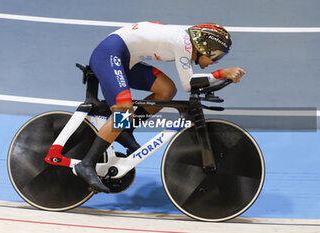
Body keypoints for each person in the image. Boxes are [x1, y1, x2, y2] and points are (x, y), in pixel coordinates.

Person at [74, 21, 246, 193]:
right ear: (206, 47)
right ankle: (87, 163)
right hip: (109, 54)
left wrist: (221, 76)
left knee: (166, 90)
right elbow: (189, 84)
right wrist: (222, 73)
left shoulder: (185, 40)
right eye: (216, 56)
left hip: (125, 58)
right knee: (124, 111)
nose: (215, 61)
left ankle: (124, 130)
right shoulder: (184, 43)